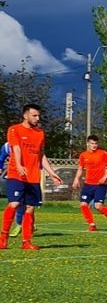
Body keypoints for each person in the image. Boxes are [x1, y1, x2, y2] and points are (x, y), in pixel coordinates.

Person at [1, 104, 64, 250]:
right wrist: (18, 165)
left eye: (38, 116)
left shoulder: (40, 133)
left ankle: (26, 242)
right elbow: (15, 148)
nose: (38, 118)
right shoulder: (14, 129)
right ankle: (3, 237)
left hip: (34, 177)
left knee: (30, 208)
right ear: (26, 115)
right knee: (15, 204)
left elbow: (40, 155)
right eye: (34, 115)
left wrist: (52, 172)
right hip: (16, 175)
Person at [71, 134, 107, 232]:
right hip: (88, 184)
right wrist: (76, 179)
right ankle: (92, 225)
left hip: (100, 184)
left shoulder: (103, 154)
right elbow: (80, 169)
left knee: (98, 206)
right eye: (92, 143)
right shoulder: (83, 155)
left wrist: (105, 177)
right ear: (87, 144)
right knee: (83, 204)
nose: (94, 145)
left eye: (96, 143)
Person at [0, 141, 25, 238]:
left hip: (30, 176)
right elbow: (1, 158)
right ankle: (19, 225)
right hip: (15, 176)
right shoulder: (7, 146)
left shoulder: (29, 142)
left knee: (29, 204)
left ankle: (27, 224)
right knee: (16, 202)